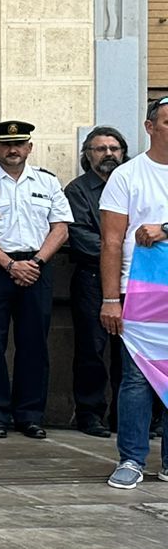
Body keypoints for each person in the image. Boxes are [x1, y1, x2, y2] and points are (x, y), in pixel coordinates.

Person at [0, 119, 71, 441]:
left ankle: (29, 415)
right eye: (6, 145)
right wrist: (10, 264)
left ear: (29, 148)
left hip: (38, 266)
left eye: (19, 144)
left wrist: (34, 262)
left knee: (34, 343)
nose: (13, 150)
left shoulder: (47, 182)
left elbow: (61, 227)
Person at [103, 97, 168, 488]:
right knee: (137, 378)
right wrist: (111, 298)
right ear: (149, 127)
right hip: (141, 291)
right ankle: (131, 458)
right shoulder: (128, 175)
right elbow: (111, 241)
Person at [68, 125, 129, 438]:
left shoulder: (134, 183)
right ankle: (90, 414)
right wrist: (119, 250)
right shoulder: (77, 190)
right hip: (92, 279)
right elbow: (80, 236)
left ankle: (127, 417)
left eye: (113, 149)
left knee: (131, 352)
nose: (108, 154)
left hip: (134, 281)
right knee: (92, 348)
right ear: (87, 155)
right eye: (100, 149)